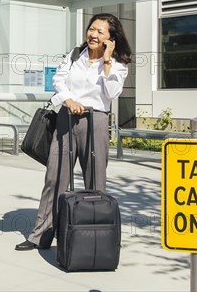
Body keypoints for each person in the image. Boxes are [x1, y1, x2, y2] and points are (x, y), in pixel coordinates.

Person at [15, 13, 132, 251]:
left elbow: (111, 93)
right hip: (66, 119)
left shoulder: (118, 64)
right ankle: (41, 235)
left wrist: (107, 60)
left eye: (100, 31)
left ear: (111, 38)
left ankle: (94, 236)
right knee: (54, 178)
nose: (93, 34)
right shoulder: (75, 54)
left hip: (95, 121)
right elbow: (58, 81)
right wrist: (68, 100)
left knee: (95, 181)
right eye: (91, 29)